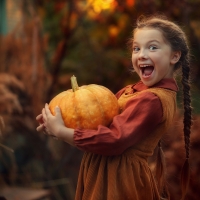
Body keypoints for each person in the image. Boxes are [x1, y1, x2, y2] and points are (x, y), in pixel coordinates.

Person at [36, 15, 192, 200]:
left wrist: (63, 132)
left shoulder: (152, 100)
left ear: (175, 55)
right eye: (136, 48)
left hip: (118, 181)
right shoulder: (134, 92)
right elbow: (98, 134)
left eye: (152, 47)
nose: (141, 54)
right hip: (107, 171)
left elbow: (113, 140)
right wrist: (59, 127)